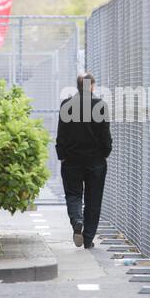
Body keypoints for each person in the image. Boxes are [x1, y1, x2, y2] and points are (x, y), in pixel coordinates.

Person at [56, 73, 112, 249]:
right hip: (95, 161)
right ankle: (88, 239)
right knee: (93, 199)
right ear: (92, 86)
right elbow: (105, 136)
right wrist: (105, 153)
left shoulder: (67, 105)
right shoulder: (100, 105)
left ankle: (77, 220)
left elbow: (61, 134)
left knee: (73, 194)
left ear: (78, 86)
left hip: (72, 159)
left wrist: (62, 154)